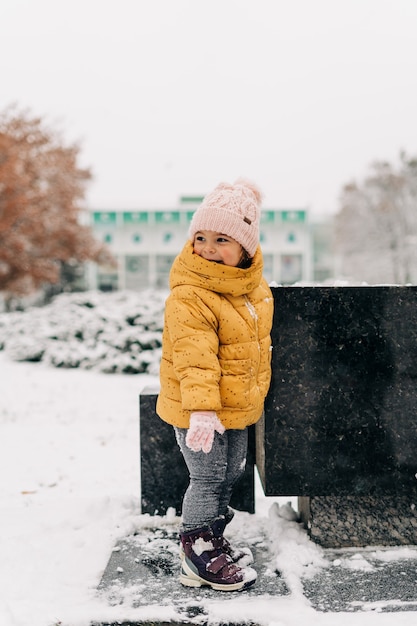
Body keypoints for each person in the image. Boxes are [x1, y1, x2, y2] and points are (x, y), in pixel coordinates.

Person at [156, 178, 273, 591]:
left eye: (222, 239)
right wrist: (201, 410)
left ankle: (214, 537)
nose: (207, 247)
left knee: (229, 473)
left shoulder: (249, 289)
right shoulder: (191, 294)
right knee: (207, 477)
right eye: (200, 237)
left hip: (233, 406)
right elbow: (194, 357)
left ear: (245, 248)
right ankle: (196, 551)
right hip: (198, 409)